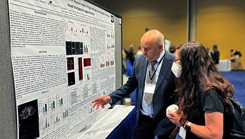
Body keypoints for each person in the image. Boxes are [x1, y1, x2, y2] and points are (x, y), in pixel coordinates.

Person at [92, 29, 176, 139]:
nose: (143, 52)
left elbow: (180, 94)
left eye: (147, 49)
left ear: (160, 47)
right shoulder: (140, 60)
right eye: (142, 47)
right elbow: (130, 85)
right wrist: (110, 97)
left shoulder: (174, 62)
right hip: (142, 119)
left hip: (164, 121)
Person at [166, 41, 234, 139]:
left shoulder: (210, 92)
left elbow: (214, 134)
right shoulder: (194, 85)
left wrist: (183, 122)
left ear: (189, 63)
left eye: (176, 59)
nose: (175, 63)